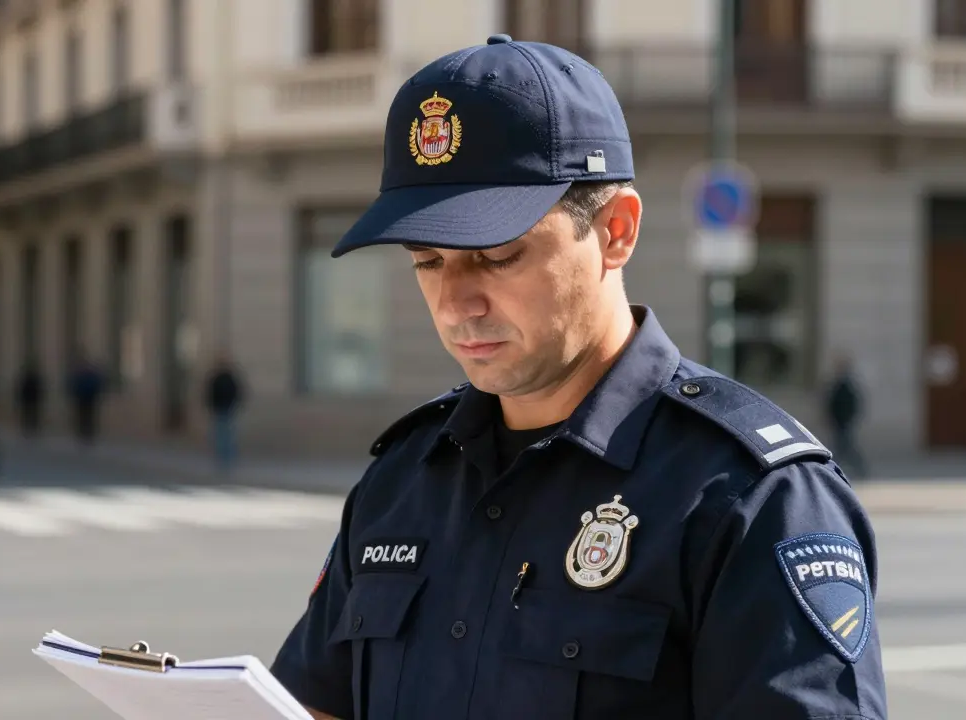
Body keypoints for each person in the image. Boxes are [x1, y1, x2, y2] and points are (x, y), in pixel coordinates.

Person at [269, 35, 886, 720]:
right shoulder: (402, 478)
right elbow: (313, 702)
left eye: (498, 256)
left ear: (616, 231)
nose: (456, 304)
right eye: (428, 261)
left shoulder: (753, 496)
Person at [826, 352, 869, 479]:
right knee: (843, 447)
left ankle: (835, 469)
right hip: (838, 421)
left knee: (845, 448)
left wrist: (849, 418)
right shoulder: (837, 383)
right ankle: (835, 469)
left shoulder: (847, 385)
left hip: (844, 421)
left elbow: (852, 403)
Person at [204, 354, 245, 472]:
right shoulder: (218, 378)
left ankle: (227, 458)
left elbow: (237, 392)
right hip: (220, 408)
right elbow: (210, 392)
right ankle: (223, 457)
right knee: (222, 434)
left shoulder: (228, 378)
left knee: (226, 434)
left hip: (227, 408)